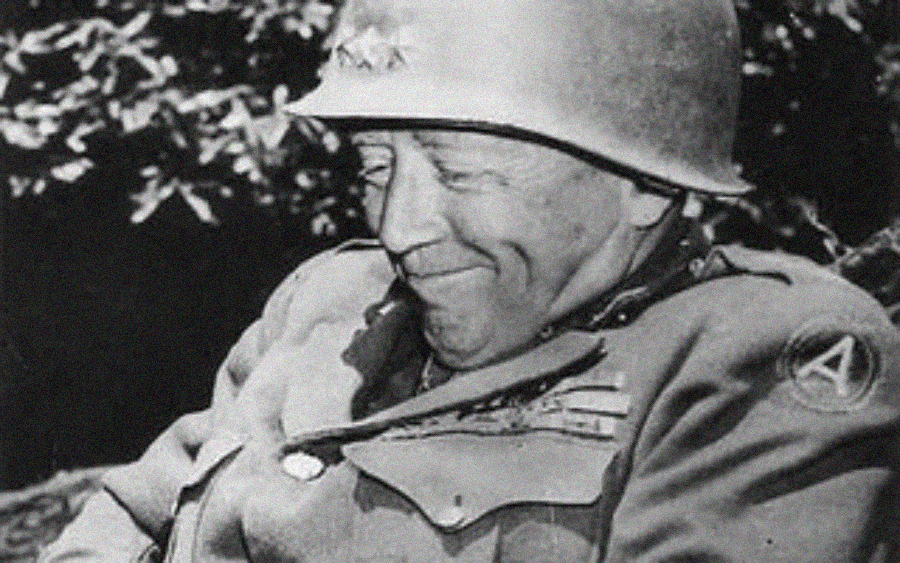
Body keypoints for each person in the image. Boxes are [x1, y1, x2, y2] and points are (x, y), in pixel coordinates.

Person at [41, 0, 900, 561]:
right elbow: (124, 522)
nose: (399, 227)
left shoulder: (756, 362)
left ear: (646, 186)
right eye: (376, 167)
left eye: (461, 175)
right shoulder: (328, 301)